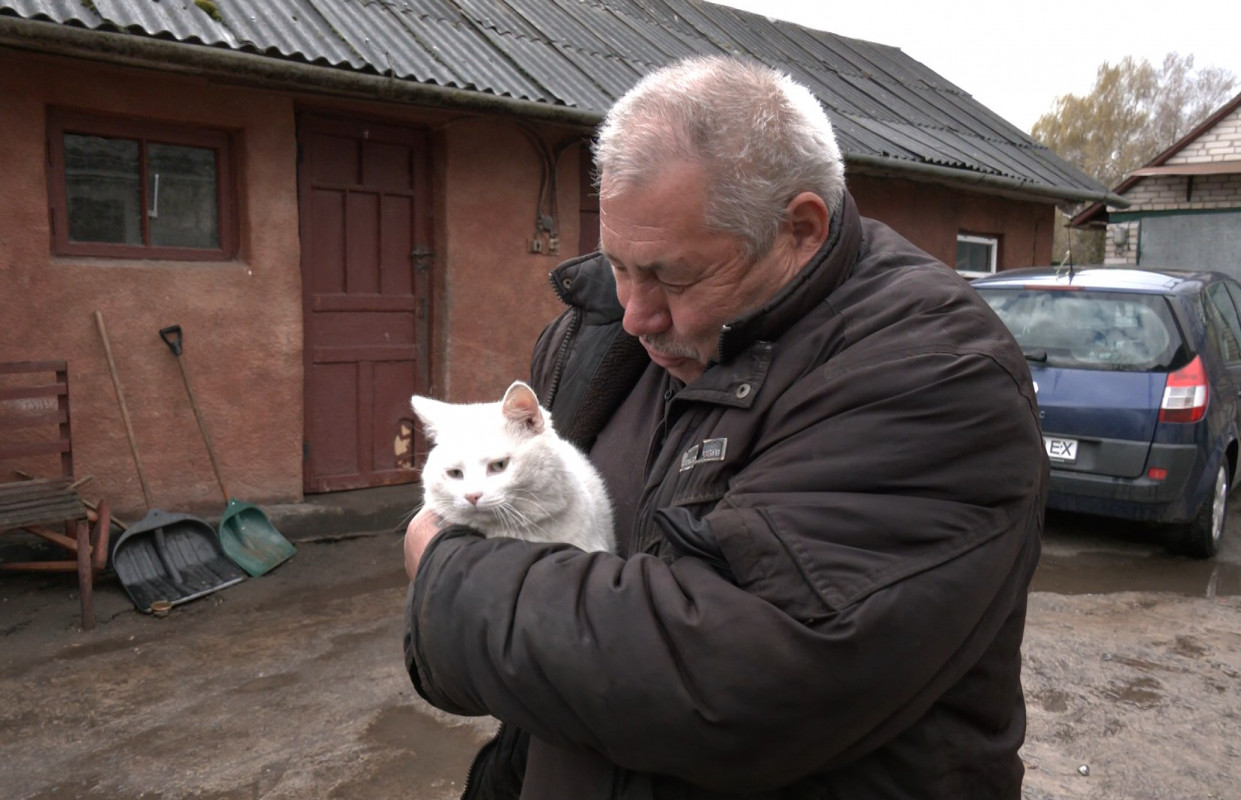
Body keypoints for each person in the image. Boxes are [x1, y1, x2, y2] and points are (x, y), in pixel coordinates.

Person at [404, 55, 1046, 799]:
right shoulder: (596, 337)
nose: (636, 313)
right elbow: (540, 658)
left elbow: (733, 684)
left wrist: (445, 578)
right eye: (618, 265)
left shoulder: (934, 372)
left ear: (800, 228)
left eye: (673, 277)